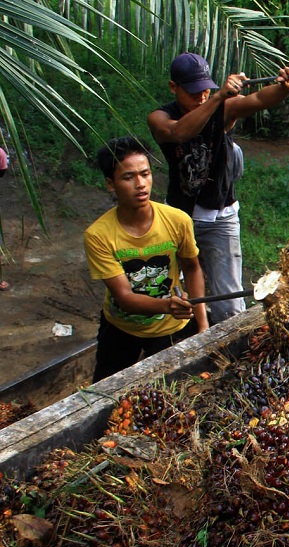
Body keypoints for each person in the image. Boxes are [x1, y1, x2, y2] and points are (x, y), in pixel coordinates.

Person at [147, 53, 289, 325]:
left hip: (221, 218)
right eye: (194, 91)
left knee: (230, 304)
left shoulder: (224, 107)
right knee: (171, 293)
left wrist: (282, 87)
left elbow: (257, 100)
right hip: (179, 218)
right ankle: (186, 335)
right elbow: (180, 133)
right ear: (174, 87)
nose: (202, 96)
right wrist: (218, 97)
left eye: (206, 89)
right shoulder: (160, 118)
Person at [84, 136, 208, 382]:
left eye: (145, 174)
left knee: (174, 393)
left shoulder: (177, 220)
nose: (141, 184)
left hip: (171, 328)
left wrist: (203, 325)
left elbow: (192, 268)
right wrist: (167, 306)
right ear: (111, 183)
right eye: (128, 177)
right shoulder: (98, 235)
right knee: (105, 395)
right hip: (121, 328)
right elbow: (126, 298)